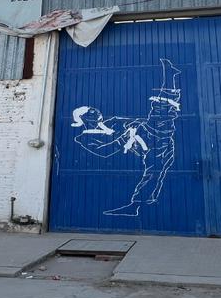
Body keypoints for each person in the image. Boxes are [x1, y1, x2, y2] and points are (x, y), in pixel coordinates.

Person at [72, 59, 181, 217]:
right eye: (89, 111)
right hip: (145, 142)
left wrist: (134, 127)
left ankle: (138, 204)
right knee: (162, 116)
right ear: (84, 120)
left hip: (151, 138)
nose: (95, 111)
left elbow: (133, 122)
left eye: (92, 108)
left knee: (156, 165)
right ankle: (170, 78)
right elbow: (105, 152)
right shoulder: (85, 138)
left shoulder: (112, 121)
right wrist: (126, 137)